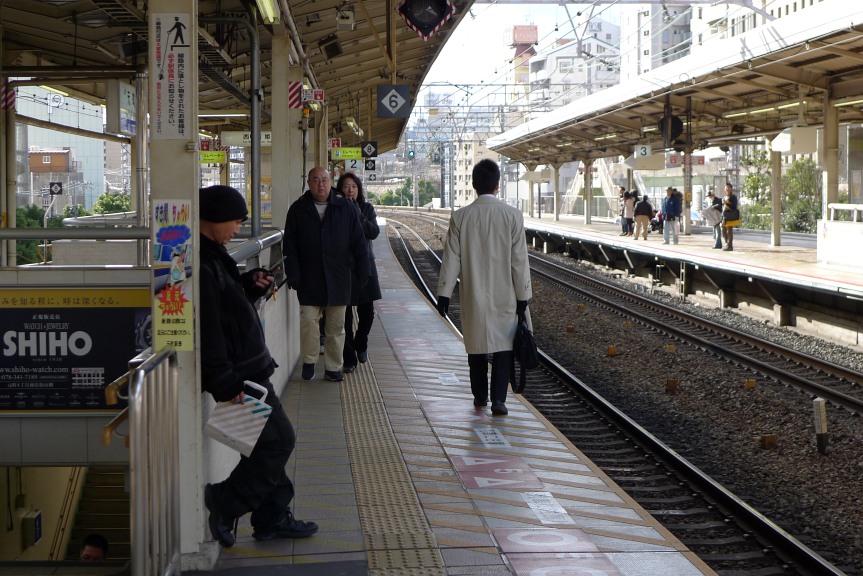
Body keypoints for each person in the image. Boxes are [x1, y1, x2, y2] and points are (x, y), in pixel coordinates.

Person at [199, 185, 318, 548]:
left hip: (246, 368)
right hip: (239, 375)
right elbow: (209, 329)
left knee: (260, 446)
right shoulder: (201, 265)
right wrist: (223, 381)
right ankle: (225, 501)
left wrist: (249, 286)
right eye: (234, 221)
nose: (236, 229)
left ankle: (270, 518)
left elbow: (227, 307)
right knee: (278, 441)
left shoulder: (214, 256)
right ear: (215, 218)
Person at [435, 159, 532, 416]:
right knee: (503, 346)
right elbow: (519, 260)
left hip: (473, 293)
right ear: (498, 185)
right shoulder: (513, 216)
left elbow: (451, 258)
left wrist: (443, 294)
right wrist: (523, 296)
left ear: (473, 185)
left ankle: (480, 397)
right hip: (506, 294)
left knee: (476, 344)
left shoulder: (461, 217)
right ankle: (499, 400)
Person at [283, 167, 369, 382]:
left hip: (339, 278)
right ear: (308, 183)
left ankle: (333, 367)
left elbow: (358, 242)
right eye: (315, 180)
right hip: (309, 278)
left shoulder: (345, 208)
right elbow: (290, 245)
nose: (320, 185)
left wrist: (363, 271)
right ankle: (310, 360)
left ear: (330, 182)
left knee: (336, 327)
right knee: (309, 321)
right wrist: (293, 273)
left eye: (324, 180)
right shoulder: (298, 209)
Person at [337, 172, 381, 372]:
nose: (349, 190)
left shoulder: (366, 208)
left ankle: (360, 343)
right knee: (343, 315)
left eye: (353, 187)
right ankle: (349, 359)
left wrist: (357, 213)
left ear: (359, 189)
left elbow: (373, 232)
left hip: (364, 265)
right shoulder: (335, 210)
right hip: (343, 267)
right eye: (346, 186)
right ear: (339, 189)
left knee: (367, 313)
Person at [721, 182, 741, 251]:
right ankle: (727, 243)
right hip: (725, 216)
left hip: (730, 215)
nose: (727, 189)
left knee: (729, 230)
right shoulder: (724, 197)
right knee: (723, 229)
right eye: (726, 188)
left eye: (728, 188)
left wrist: (726, 203)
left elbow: (734, 206)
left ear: (731, 189)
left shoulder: (733, 197)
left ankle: (730, 245)